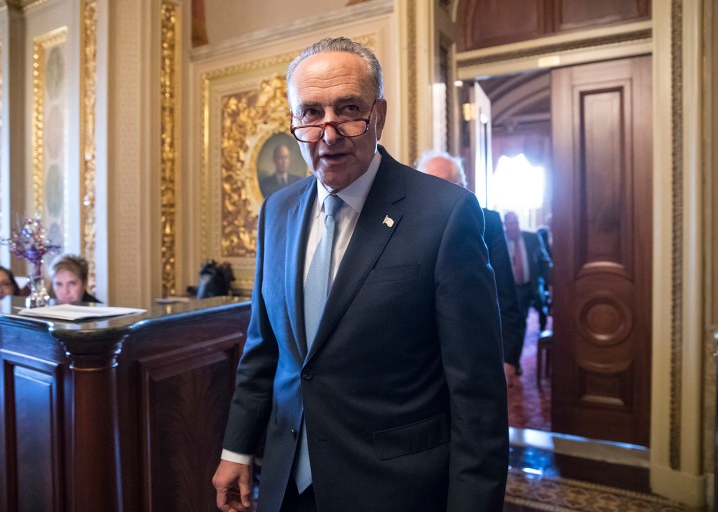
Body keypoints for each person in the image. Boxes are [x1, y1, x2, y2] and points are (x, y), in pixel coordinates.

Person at [212, 37, 508, 512]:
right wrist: (236, 448)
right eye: (310, 113)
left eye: (348, 109)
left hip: (394, 489)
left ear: (379, 115)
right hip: (287, 483)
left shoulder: (446, 214)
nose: (328, 134)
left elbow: (478, 398)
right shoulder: (277, 211)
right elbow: (264, 349)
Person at [416, 150, 522, 387]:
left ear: (461, 187)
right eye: (426, 185)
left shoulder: (488, 223)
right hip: (423, 364)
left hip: (477, 352)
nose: (434, 193)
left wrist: (508, 357)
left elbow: (504, 292)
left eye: (443, 184)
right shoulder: (405, 226)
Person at [503, 211, 552, 371]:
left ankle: (542, 334)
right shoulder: (500, 241)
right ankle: (514, 360)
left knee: (534, 316)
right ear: (505, 225)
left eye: (516, 223)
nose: (514, 227)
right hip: (512, 289)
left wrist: (550, 283)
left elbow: (545, 261)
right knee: (519, 322)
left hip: (531, 286)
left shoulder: (531, 238)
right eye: (510, 223)